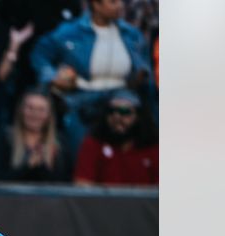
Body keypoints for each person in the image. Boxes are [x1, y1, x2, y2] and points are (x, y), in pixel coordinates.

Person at [30, 0, 154, 152]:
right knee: (82, 152)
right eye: (113, 2)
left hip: (122, 99)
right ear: (96, 4)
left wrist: (141, 75)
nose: (120, 6)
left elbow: (145, 65)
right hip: (82, 100)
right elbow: (40, 54)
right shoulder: (70, 31)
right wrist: (53, 77)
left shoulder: (132, 34)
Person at [0, 89, 72, 182]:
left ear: (49, 114)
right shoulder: (5, 139)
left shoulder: (60, 144)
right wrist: (27, 166)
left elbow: (65, 183)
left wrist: (42, 166)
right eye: (30, 108)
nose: (35, 114)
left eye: (41, 110)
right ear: (21, 110)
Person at [72, 89, 156, 186]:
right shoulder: (93, 144)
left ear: (139, 116)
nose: (117, 116)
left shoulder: (153, 148)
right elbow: (82, 188)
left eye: (124, 111)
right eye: (111, 111)